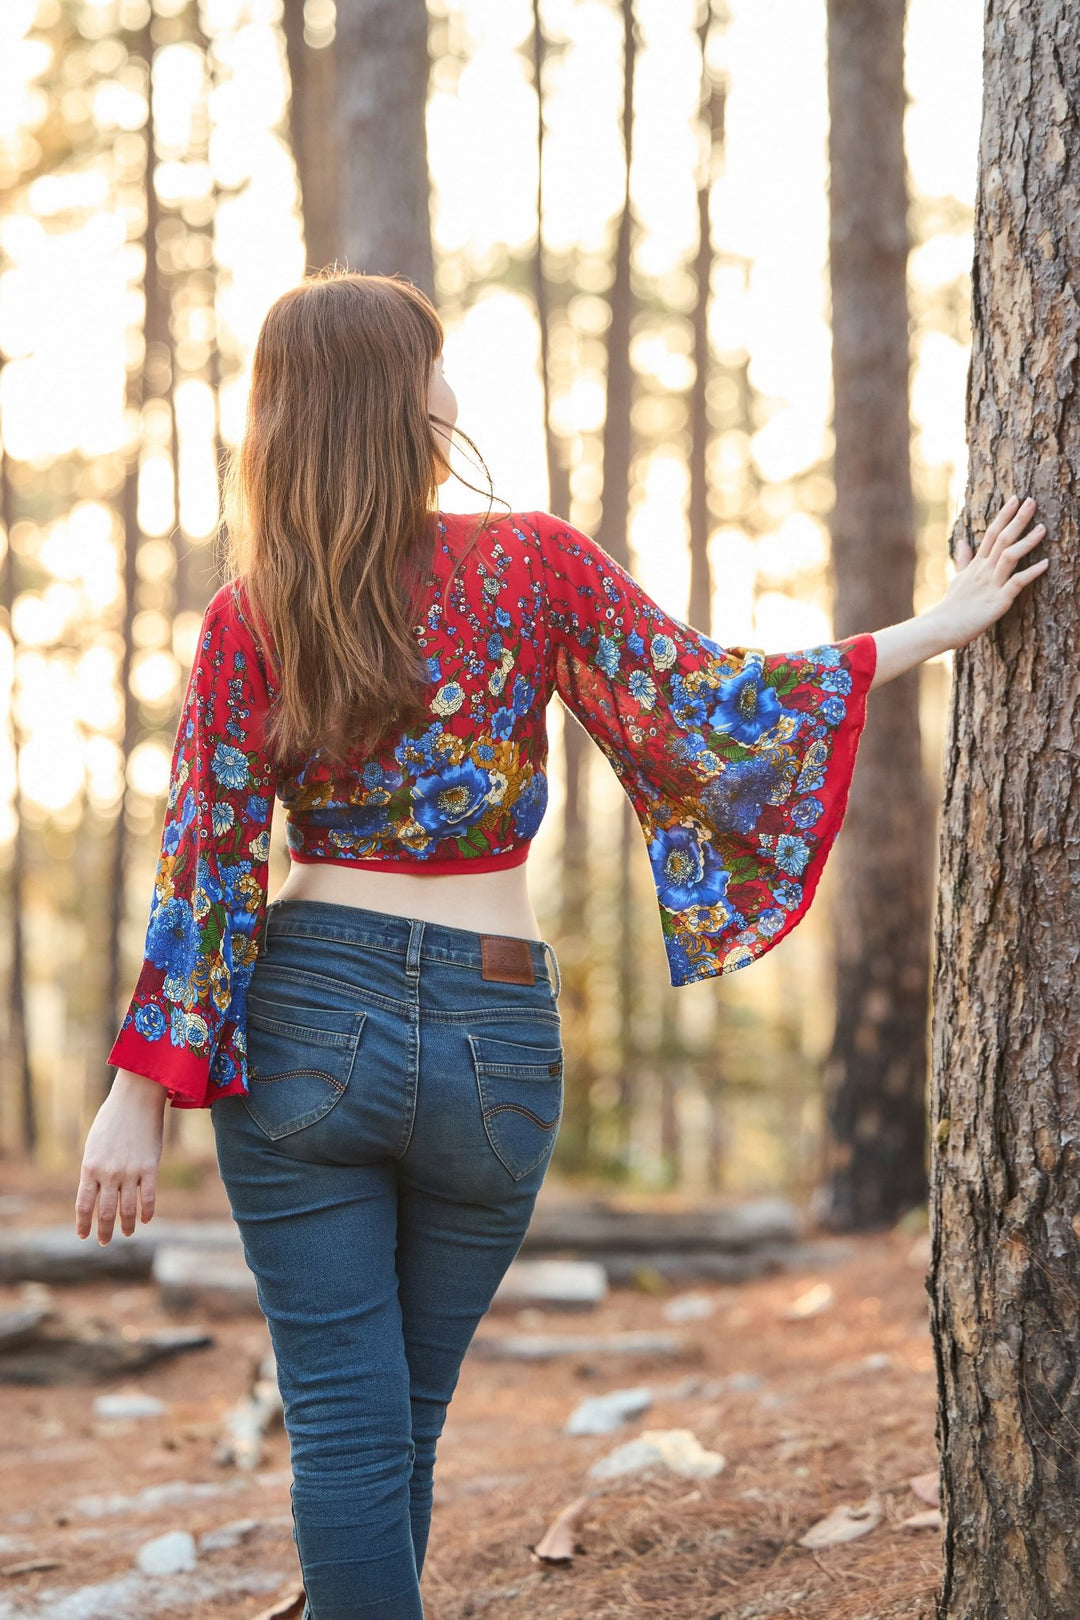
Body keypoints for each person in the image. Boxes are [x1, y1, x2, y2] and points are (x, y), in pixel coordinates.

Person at [74, 270, 1049, 1620]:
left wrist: (137, 1097)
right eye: (433, 358)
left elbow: (210, 862)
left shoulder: (255, 613)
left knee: (357, 1436)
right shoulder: (526, 562)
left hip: (310, 1030)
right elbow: (705, 698)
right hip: (492, 1037)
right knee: (395, 1427)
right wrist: (931, 630)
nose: (450, 381)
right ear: (390, 396)